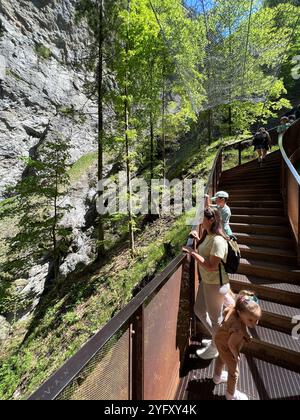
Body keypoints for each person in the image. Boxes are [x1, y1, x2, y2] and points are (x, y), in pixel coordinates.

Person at [183, 207, 230, 360]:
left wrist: (192, 252)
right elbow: (205, 252)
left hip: (215, 284)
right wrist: (197, 239)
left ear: (211, 220)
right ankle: (217, 339)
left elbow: (211, 266)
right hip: (207, 282)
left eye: (202, 218)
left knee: (216, 319)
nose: (199, 222)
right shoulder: (208, 235)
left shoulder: (218, 240)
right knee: (199, 310)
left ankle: (217, 347)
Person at [213, 290, 262, 400]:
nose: (254, 324)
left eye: (257, 320)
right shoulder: (238, 329)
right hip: (227, 346)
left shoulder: (233, 310)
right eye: (250, 320)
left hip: (220, 340)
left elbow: (226, 313)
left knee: (221, 358)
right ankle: (231, 394)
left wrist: (246, 334)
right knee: (234, 373)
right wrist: (236, 355)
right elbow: (231, 344)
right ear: (240, 313)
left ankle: (217, 377)